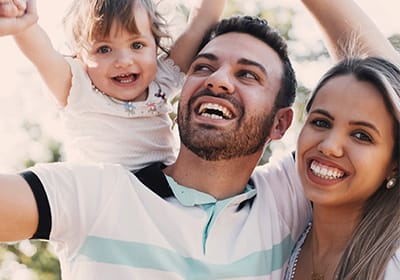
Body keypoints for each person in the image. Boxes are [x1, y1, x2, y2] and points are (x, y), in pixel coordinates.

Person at [0, 12, 312, 279]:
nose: (217, 80)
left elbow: (360, 93)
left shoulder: (284, 200)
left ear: (280, 123)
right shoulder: (96, 193)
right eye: (203, 67)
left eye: (247, 74)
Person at [4, 0, 225, 171]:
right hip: (100, 200)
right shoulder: (78, 88)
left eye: (137, 45)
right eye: (104, 49)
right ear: (81, 58)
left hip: (156, 199)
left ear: (155, 46)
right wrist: (22, 24)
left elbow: (201, 22)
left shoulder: (160, 79)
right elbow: (41, 53)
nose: (124, 61)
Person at [284, 0, 400, 279]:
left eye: (362, 135)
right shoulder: (282, 212)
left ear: (394, 165)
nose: (329, 146)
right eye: (321, 122)